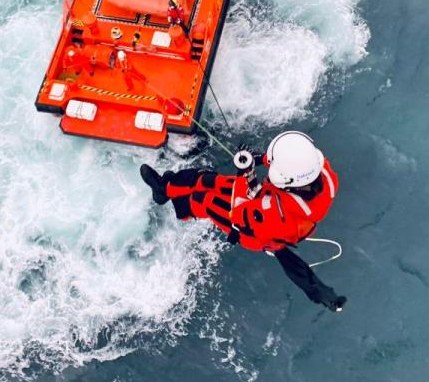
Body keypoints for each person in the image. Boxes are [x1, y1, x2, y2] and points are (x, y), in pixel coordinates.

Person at [140, 131, 347, 312]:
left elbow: (239, 213)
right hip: (265, 206)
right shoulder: (323, 174)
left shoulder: (276, 214)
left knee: (204, 201)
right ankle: (165, 187)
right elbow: (288, 168)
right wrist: (261, 159)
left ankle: (179, 206)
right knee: (209, 180)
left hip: (252, 228)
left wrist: (244, 173)